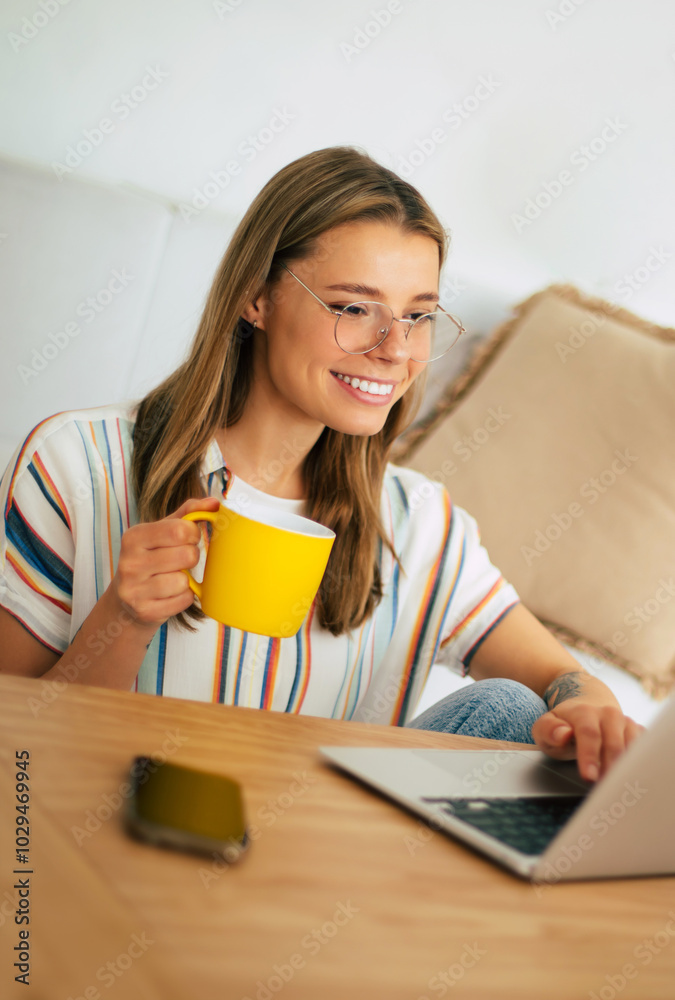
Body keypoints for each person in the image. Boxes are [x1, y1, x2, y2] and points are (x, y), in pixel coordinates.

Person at [0, 146, 642, 782]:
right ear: (257, 298)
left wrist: (586, 709)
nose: (394, 349)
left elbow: (566, 679)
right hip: (113, 840)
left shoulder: (418, 524)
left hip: (318, 864)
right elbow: (17, 759)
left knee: (508, 708)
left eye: (417, 315)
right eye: (353, 307)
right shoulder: (77, 465)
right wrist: (123, 619)